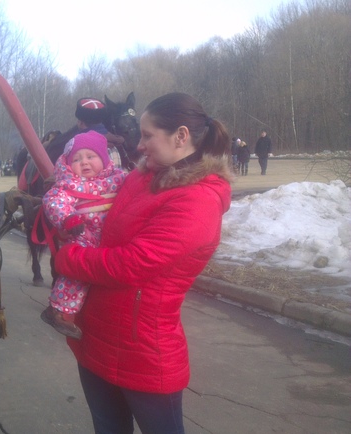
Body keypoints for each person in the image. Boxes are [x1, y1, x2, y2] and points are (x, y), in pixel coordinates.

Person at [53, 92, 233, 434]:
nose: (140, 145)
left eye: (148, 136)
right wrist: (66, 211)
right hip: (96, 339)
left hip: (143, 355)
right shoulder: (141, 176)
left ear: (181, 136)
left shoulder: (198, 200)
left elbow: (131, 264)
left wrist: (68, 258)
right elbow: (100, 218)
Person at [40, 130, 126, 339]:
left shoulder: (119, 178)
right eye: (77, 159)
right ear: (68, 165)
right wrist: (68, 218)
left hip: (111, 235)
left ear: (104, 159)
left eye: (91, 157)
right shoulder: (67, 184)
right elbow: (54, 201)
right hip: (84, 234)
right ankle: (59, 311)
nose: (84, 163)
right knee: (77, 271)